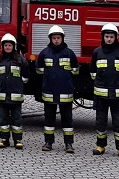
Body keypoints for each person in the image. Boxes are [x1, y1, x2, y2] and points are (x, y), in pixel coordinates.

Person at [36, 25, 79, 153]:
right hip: (49, 92)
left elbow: (76, 70)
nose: (56, 40)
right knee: (49, 120)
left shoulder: (69, 53)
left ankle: (69, 144)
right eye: (54, 38)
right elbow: (39, 70)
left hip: (66, 93)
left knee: (67, 121)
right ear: (50, 39)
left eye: (58, 38)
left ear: (62, 39)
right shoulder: (44, 53)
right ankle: (48, 142)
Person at [91, 22, 119, 159]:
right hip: (101, 95)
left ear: (116, 37)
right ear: (103, 37)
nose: (109, 39)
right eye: (107, 36)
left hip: (117, 95)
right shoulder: (97, 52)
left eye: (111, 37)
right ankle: (100, 146)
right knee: (100, 122)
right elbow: (92, 71)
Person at [0, 32, 29, 149]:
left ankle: (17, 140)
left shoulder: (20, 60)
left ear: (14, 46)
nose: (7, 47)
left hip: (15, 97)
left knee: (16, 119)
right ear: (2, 46)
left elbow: (26, 75)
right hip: (2, 97)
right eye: (6, 45)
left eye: (10, 45)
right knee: (3, 119)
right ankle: (4, 139)